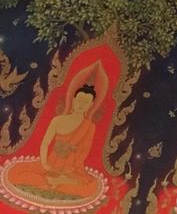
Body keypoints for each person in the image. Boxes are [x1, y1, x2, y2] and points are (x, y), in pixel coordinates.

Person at [2, 70, 106, 206]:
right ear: (73, 100)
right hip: (51, 163)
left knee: (90, 188)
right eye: (80, 100)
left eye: (86, 102)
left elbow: (84, 151)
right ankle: (54, 181)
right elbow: (45, 143)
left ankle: (58, 180)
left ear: (91, 105)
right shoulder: (58, 120)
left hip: (72, 168)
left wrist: (71, 169)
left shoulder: (89, 126)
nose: (81, 104)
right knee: (14, 173)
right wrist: (45, 163)